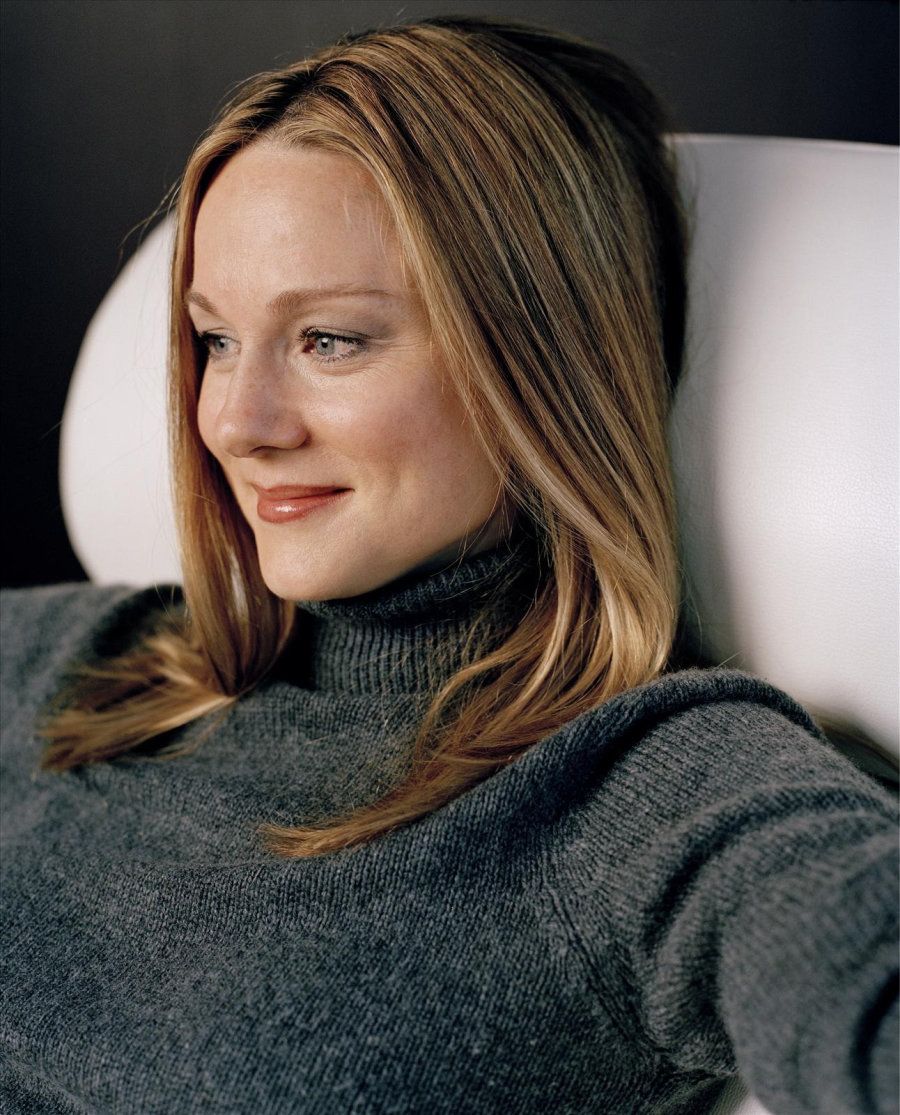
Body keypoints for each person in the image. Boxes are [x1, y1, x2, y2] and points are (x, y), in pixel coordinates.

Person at [0, 15, 896, 1115]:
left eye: (330, 339)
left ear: (536, 364)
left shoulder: (652, 795)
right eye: (216, 340)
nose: (234, 421)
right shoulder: (83, 663)